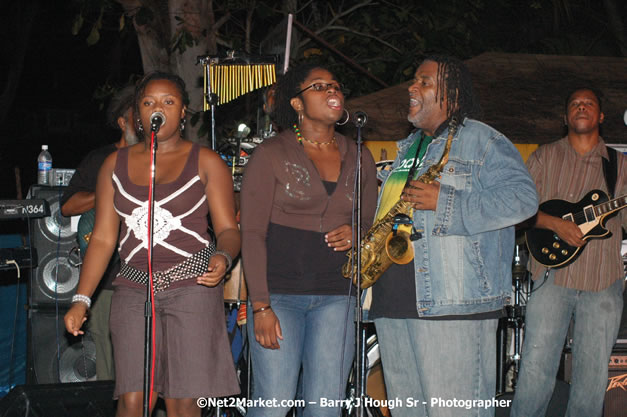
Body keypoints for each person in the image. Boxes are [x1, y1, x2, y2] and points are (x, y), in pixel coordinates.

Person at [368, 55, 538, 417]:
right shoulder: (408, 149)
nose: (413, 87)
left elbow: (524, 200)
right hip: (394, 307)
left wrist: (447, 203)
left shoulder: (482, 140)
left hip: (452, 307)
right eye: (414, 80)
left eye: (424, 82)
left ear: (453, 95)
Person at [64, 71, 240, 417]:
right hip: (133, 289)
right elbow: (102, 238)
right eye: (148, 102)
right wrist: (81, 299)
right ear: (138, 115)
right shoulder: (114, 165)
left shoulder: (207, 161)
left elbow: (228, 229)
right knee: (134, 399)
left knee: (181, 400)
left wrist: (223, 255)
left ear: (183, 112)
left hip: (192, 286)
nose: (157, 108)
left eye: (168, 101)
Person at [240, 62, 378, 417]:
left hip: (338, 294)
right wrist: (260, 306)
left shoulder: (361, 155)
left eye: (335, 85)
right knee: (274, 405)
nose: (332, 91)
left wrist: (357, 232)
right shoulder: (271, 153)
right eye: (318, 87)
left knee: (325, 408)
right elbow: (252, 233)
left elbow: (370, 224)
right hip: (280, 296)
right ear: (297, 104)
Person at [510, 88, 626, 417]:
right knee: (535, 371)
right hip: (551, 278)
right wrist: (555, 225)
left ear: (601, 116)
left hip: (602, 281)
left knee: (591, 379)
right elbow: (518, 209)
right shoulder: (544, 156)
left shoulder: (620, 166)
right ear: (565, 117)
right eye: (575, 103)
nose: (581, 107)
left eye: (589, 103)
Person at [60, 85, 138, 381]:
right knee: (110, 366)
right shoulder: (101, 159)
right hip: (108, 280)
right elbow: (67, 206)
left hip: (147, 278)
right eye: (137, 114)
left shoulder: (158, 161)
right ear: (122, 121)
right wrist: (108, 191)